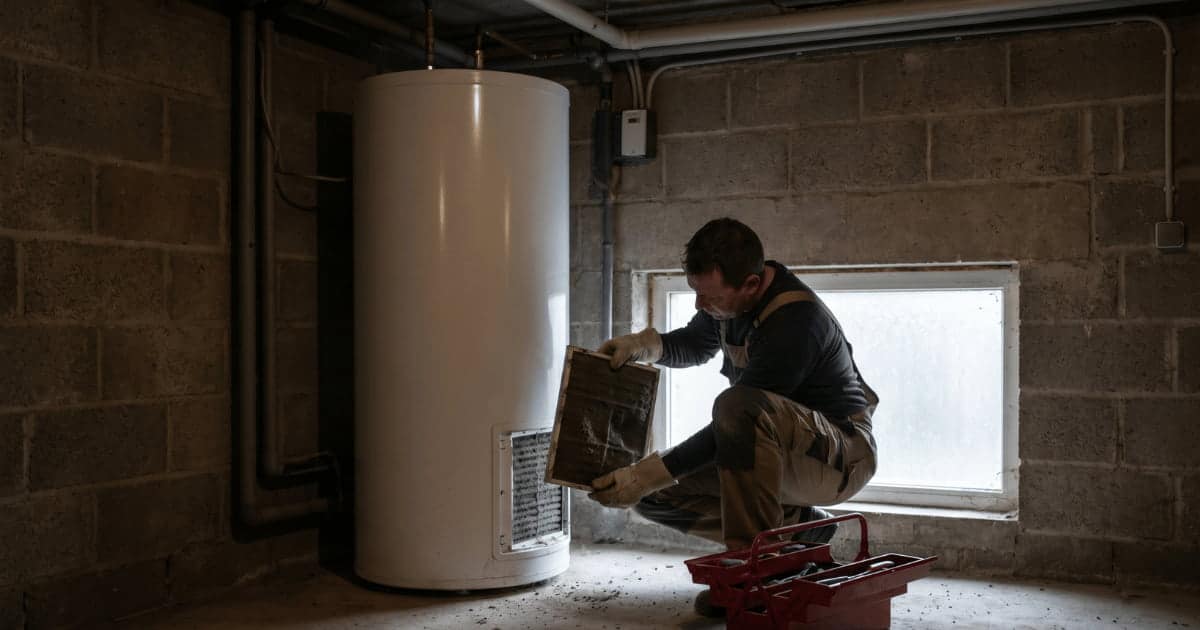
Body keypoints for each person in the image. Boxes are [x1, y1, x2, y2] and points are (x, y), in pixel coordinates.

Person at [588, 217, 879, 617]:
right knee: (655, 496)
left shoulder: (796, 322)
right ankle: (802, 532)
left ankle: (757, 574)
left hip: (841, 458)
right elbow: (695, 343)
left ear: (751, 285)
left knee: (731, 408)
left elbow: (737, 421)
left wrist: (644, 473)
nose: (699, 305)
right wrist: (644, 345)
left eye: (708, 297)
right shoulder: (730, 303)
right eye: (695, 293)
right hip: (781, 451)